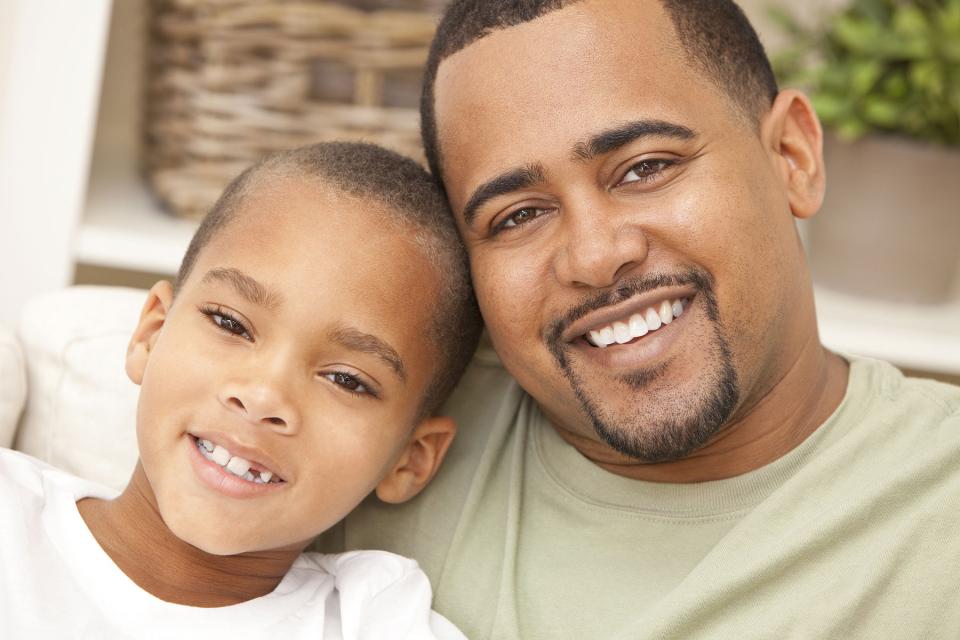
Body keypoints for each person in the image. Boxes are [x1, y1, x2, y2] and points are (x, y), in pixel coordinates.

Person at [318, 1, 960, 638]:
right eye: (517, 215)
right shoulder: (365, 438)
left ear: (793, 157)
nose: (595, 256)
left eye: (646, 168)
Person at [0, 142, 481, 638]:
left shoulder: (376, 622)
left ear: (410, 458)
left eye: (346, 380)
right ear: (151, 334)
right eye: (231, 323)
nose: (263, 396)